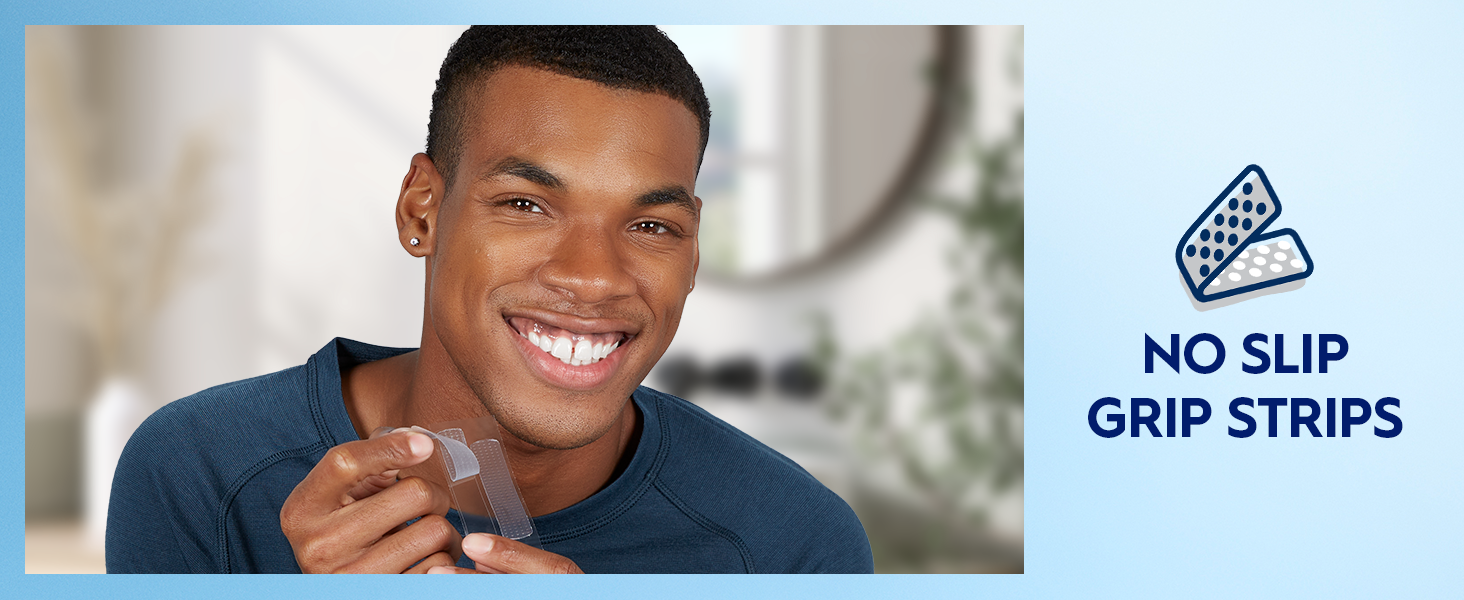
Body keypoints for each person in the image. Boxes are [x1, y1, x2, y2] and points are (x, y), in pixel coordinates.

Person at [106, 25, 873, 574]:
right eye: (526, 205)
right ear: (422, 212)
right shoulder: (203, 472)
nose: (594, 277)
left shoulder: (792, 545)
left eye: (649, 224)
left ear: (694, 248)